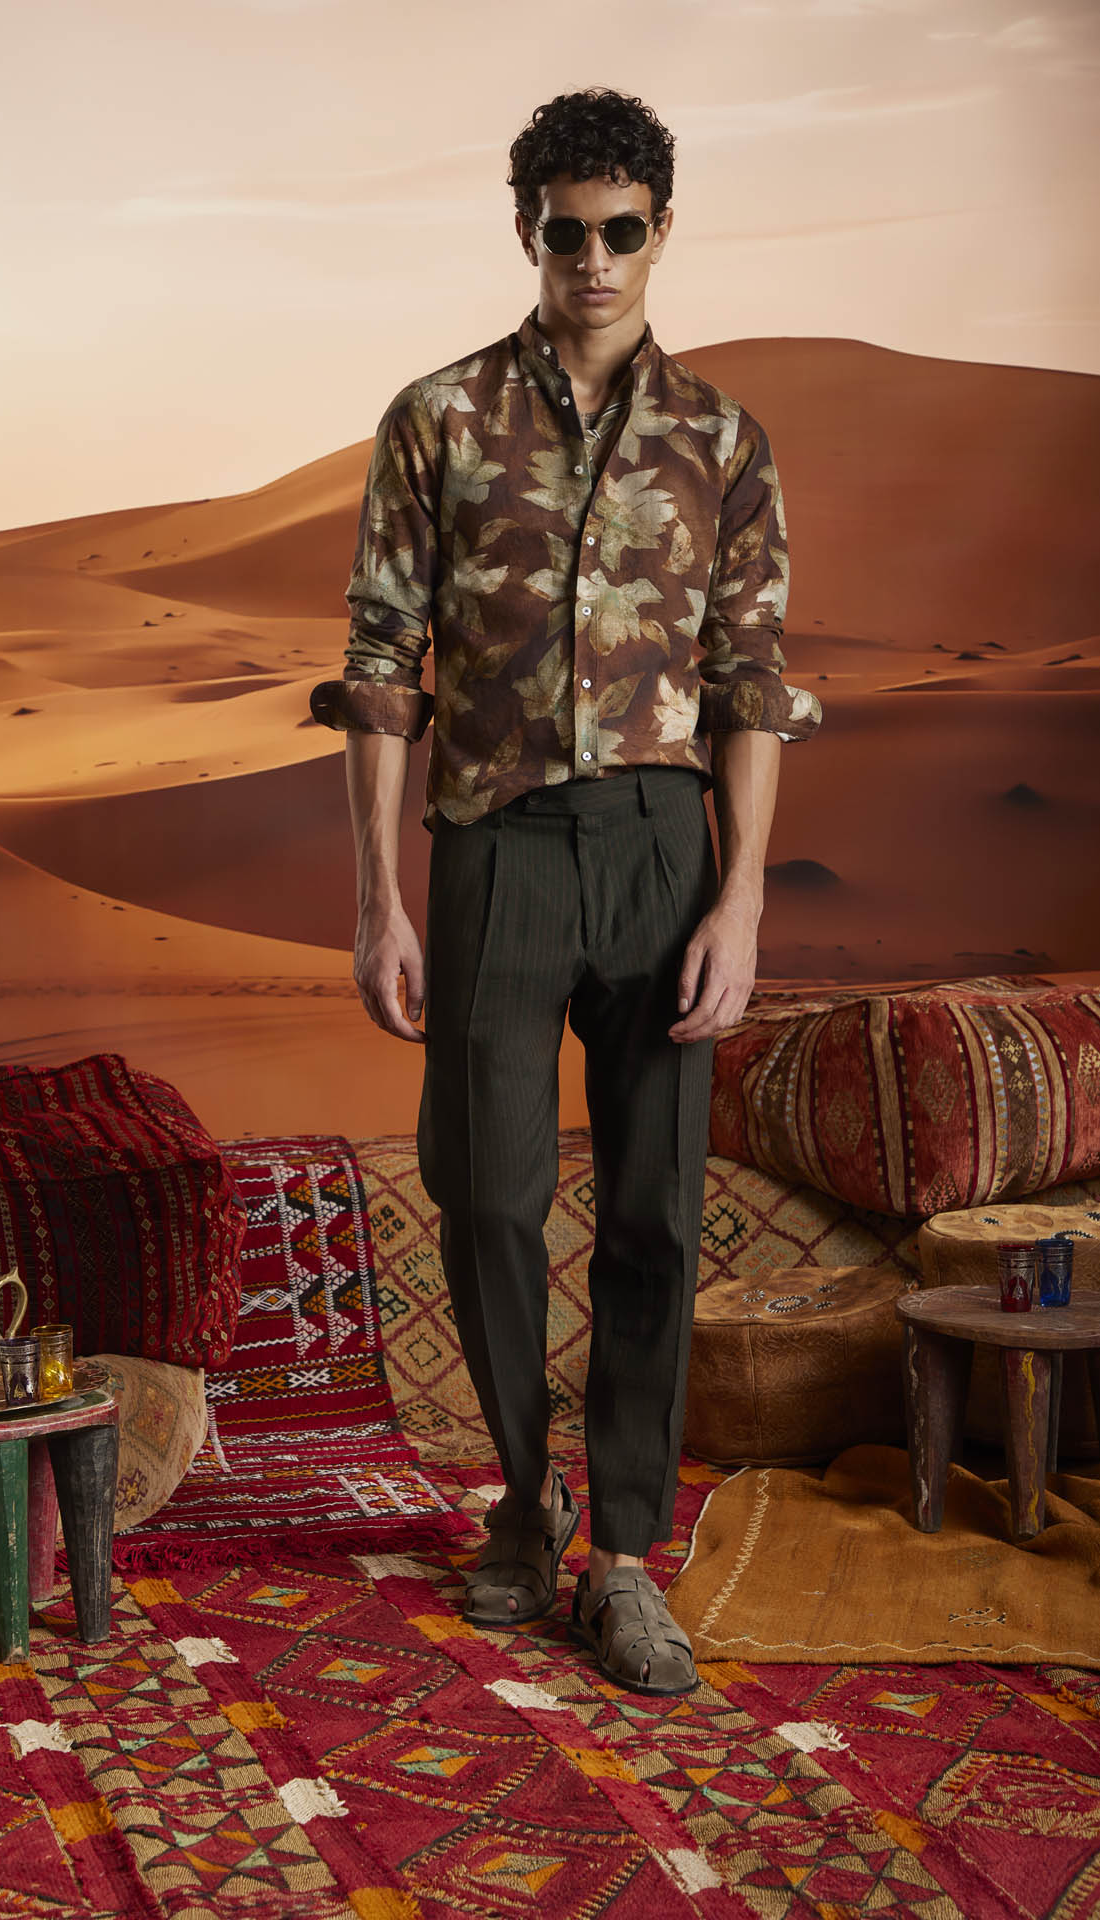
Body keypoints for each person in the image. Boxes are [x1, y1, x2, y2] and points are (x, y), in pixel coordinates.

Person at [310, 86, 821, 1694]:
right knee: (485, 1194)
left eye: (618, 231)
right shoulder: (437, 418)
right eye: (563, 232)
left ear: (660, 231)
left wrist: (740, 904)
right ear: (525, 231)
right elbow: (380, 664)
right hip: (496, 845)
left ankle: (624, 1557)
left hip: (664, 848)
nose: (591, 260)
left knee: (654, 1212)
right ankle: (521, 1504)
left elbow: (750, 682)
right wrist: (378, 900)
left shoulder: (724, 440)